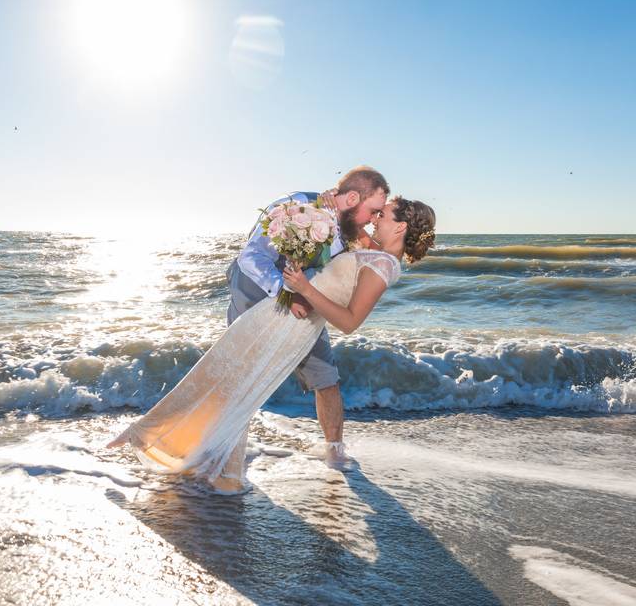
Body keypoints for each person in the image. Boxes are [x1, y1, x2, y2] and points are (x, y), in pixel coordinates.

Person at [106, 195, 437, 494]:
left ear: (402, 226)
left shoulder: (382, 266)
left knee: (232, 382)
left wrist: (305, 288)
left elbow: (349, 322)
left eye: (383, 215)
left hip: (290, 327)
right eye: (376, 212)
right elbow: (346, 234)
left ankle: (164, 442)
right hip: (277, 313)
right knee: (219, 372)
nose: (375, 218)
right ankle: (172, 443)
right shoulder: (375, 252)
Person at [227, 166, 389, 469]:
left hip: (305, 300)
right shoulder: (297, 206)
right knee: (242, 374)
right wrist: (285, 294)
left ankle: (335, 452)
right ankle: (230, 450)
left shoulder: (350, 230)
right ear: (353, 197)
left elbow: (378, 253)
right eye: (373, 211)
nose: (373, 220)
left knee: (325, 375)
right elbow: (250, 257)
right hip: (254, 292)